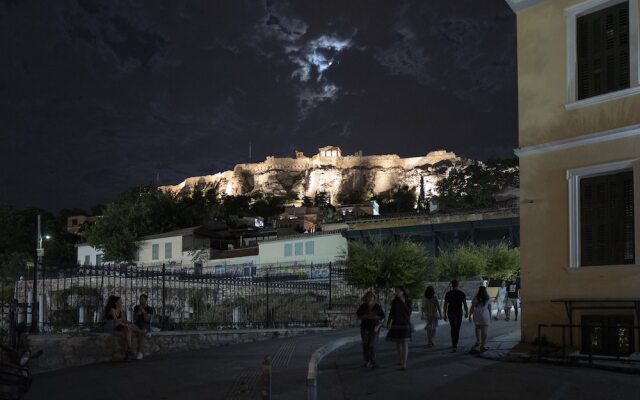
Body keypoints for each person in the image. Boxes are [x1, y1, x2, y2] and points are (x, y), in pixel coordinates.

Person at [103, 295, 145, 360]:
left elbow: (123, 320)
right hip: (111, 327)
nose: (121, 302)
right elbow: (116, 320)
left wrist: (129, 323)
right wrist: (126, 325)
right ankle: (142, 332)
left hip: (118, 326)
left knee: (129, 332)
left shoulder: (120, 310)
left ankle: (128, 352)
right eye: (120, 301)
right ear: (116, 303)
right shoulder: (112, 309)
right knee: (128, 331)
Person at [356, 291, 385, 369]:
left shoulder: (377, 307)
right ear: (366, 298)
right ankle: (366, 361)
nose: (369, 298)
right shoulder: (363, 306)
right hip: (365, 328)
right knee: (365, 345)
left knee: (372, 345)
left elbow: (382, 317)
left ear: (374, 298)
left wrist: (376, 318)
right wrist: (365, 316)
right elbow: (358, 316)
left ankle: (373, 361)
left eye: (371, 296)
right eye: (368, 296)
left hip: (374, 328)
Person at [386, 287, 412, 370]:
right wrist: (388, 322)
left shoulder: (408, 301)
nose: (396, 292)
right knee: (398, 344)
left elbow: (409, 312)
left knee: (405, 343)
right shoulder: (394, 301)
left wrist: (402, 302)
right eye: (395, 291)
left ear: (402, 291)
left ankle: (404, 364)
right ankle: (400, 360)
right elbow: (391, 313)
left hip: (405, 324)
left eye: (398, 291)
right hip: (396, 324)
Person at [443, 280, 468, 352]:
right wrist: (467, 312)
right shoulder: (462, 293)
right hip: (459, 313)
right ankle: (455, 344)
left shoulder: (448, 294)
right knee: (457, 329)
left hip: (451, 312)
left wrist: (444, 314)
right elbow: (465, 304)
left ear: (452, 285)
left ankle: (454, 344)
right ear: (458, 284)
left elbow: (445, 305)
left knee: (453, 328)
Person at [469, 286, 492, 352]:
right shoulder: (487, 298)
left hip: (476, 314)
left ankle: (478, 341)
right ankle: (483, 345)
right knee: (484, 330)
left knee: (477, 328)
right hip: (485, 314)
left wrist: (470, 315)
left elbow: (472, 307)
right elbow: (489, 308)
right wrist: (490, 317)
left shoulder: (475, 298)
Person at [133, 294, 154, 359]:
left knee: (140, 334)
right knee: (132, 330)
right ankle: (145, 332)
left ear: (146, 300)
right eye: (140, 299)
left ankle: (139, 352)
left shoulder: (149, 309)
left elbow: (147, 319)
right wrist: (138, 313)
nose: (140, 300)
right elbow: (135, 318)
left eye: (142, 299)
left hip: (145, 324)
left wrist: (144, 311)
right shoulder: (136, 307)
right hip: (137, 324)